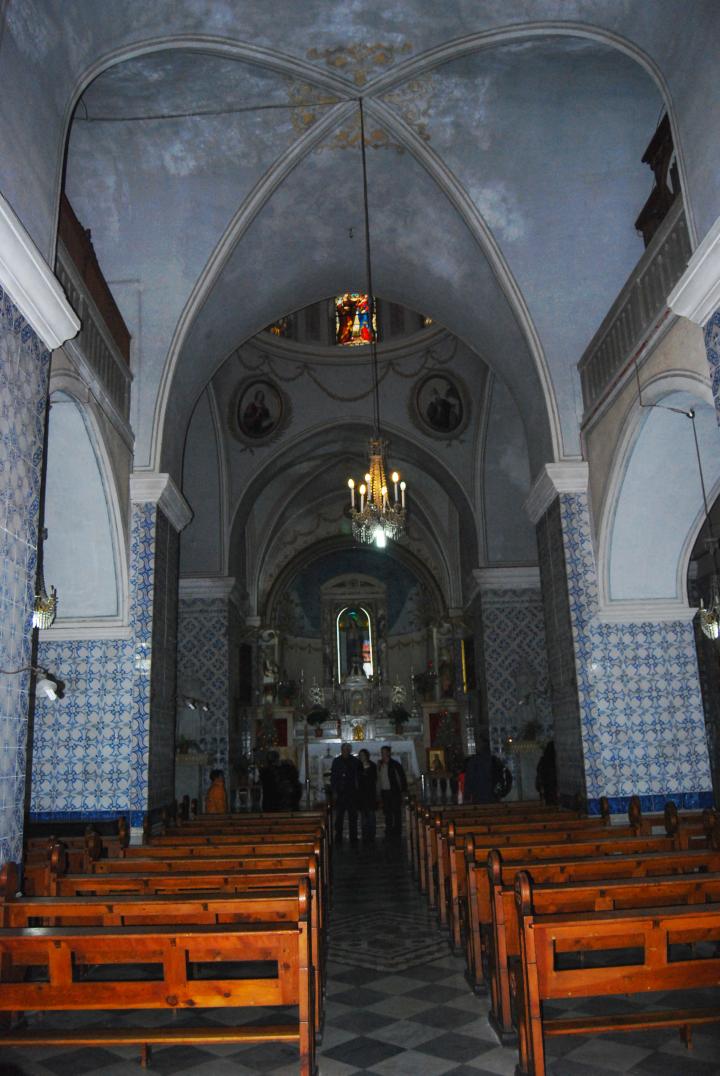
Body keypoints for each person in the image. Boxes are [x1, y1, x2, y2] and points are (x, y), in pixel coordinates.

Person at [330, 742, 360, 845]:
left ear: (350, 750)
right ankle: (338, 837)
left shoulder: (355, 761)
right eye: (344, 749)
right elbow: (333, 777)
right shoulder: (337, 761)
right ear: (341, 750)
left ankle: (353, 837)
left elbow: (357, 776)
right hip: (341, 791)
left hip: (351, 791)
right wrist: (334, 790)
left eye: (348, 750)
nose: (346, 751)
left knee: (353, 816)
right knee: (339, 816)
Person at [377, 744, 407, 840]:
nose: (383, 754)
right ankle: (389, 830)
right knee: (387, 813)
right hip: (385, 792)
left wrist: (402, 791)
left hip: (394, 792)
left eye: (385, 752)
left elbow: (401, 778)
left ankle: (397, 831)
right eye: (382, 753)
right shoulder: (380, 764)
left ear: (389, 753)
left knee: (396, 812)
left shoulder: (395, 764)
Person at [463, 739, 494, 804]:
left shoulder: (474, 761)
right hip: (491, 792)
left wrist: (467, 794)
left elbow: (469, 778)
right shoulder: (492, 759)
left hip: (479, 792)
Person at [357, 748, 378, 843]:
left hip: (370, 794)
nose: (361, 757)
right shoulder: (358, 766)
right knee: (363, 816)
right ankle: (365, 834)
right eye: (360, 755)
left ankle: (371, 834)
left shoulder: (372, 765)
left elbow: (374, 779)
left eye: (363, 755)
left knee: (371, 815)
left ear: (366, 756)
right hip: (361, 794)